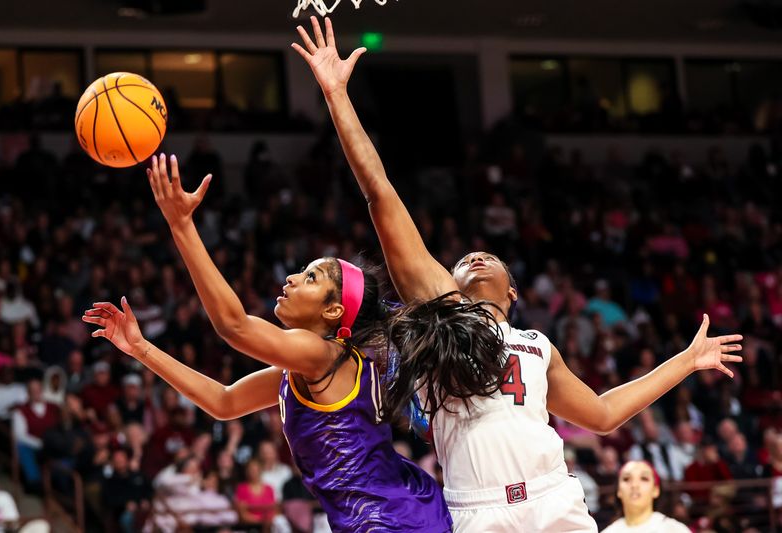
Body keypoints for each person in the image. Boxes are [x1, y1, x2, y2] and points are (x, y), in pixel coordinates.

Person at [293, 16, 744, 532]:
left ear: (513, 288)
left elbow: (600, 414)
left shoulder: (538, 343)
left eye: (490, 258)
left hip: (554, 496)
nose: (475, 258)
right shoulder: (441, 311)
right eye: (464, 259)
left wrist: (684, 362)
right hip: (477, 508)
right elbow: (380, 192)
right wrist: (337, 96)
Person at [82, 155, 453, 533]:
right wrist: (141, 348)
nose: (292, 278)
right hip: (390, 514)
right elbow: (224, 403)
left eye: (311, 278)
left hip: (391, 521)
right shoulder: (309, 366)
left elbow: (234, 326)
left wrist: (181, 226)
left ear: (333, 311)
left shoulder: (323, 354)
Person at [601, 460, 689, 532]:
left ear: (656, 490)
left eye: (644, 478)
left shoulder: (675, 530)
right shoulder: (609, 531)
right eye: (626, 479)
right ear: (618, 490)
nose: (634, 485)